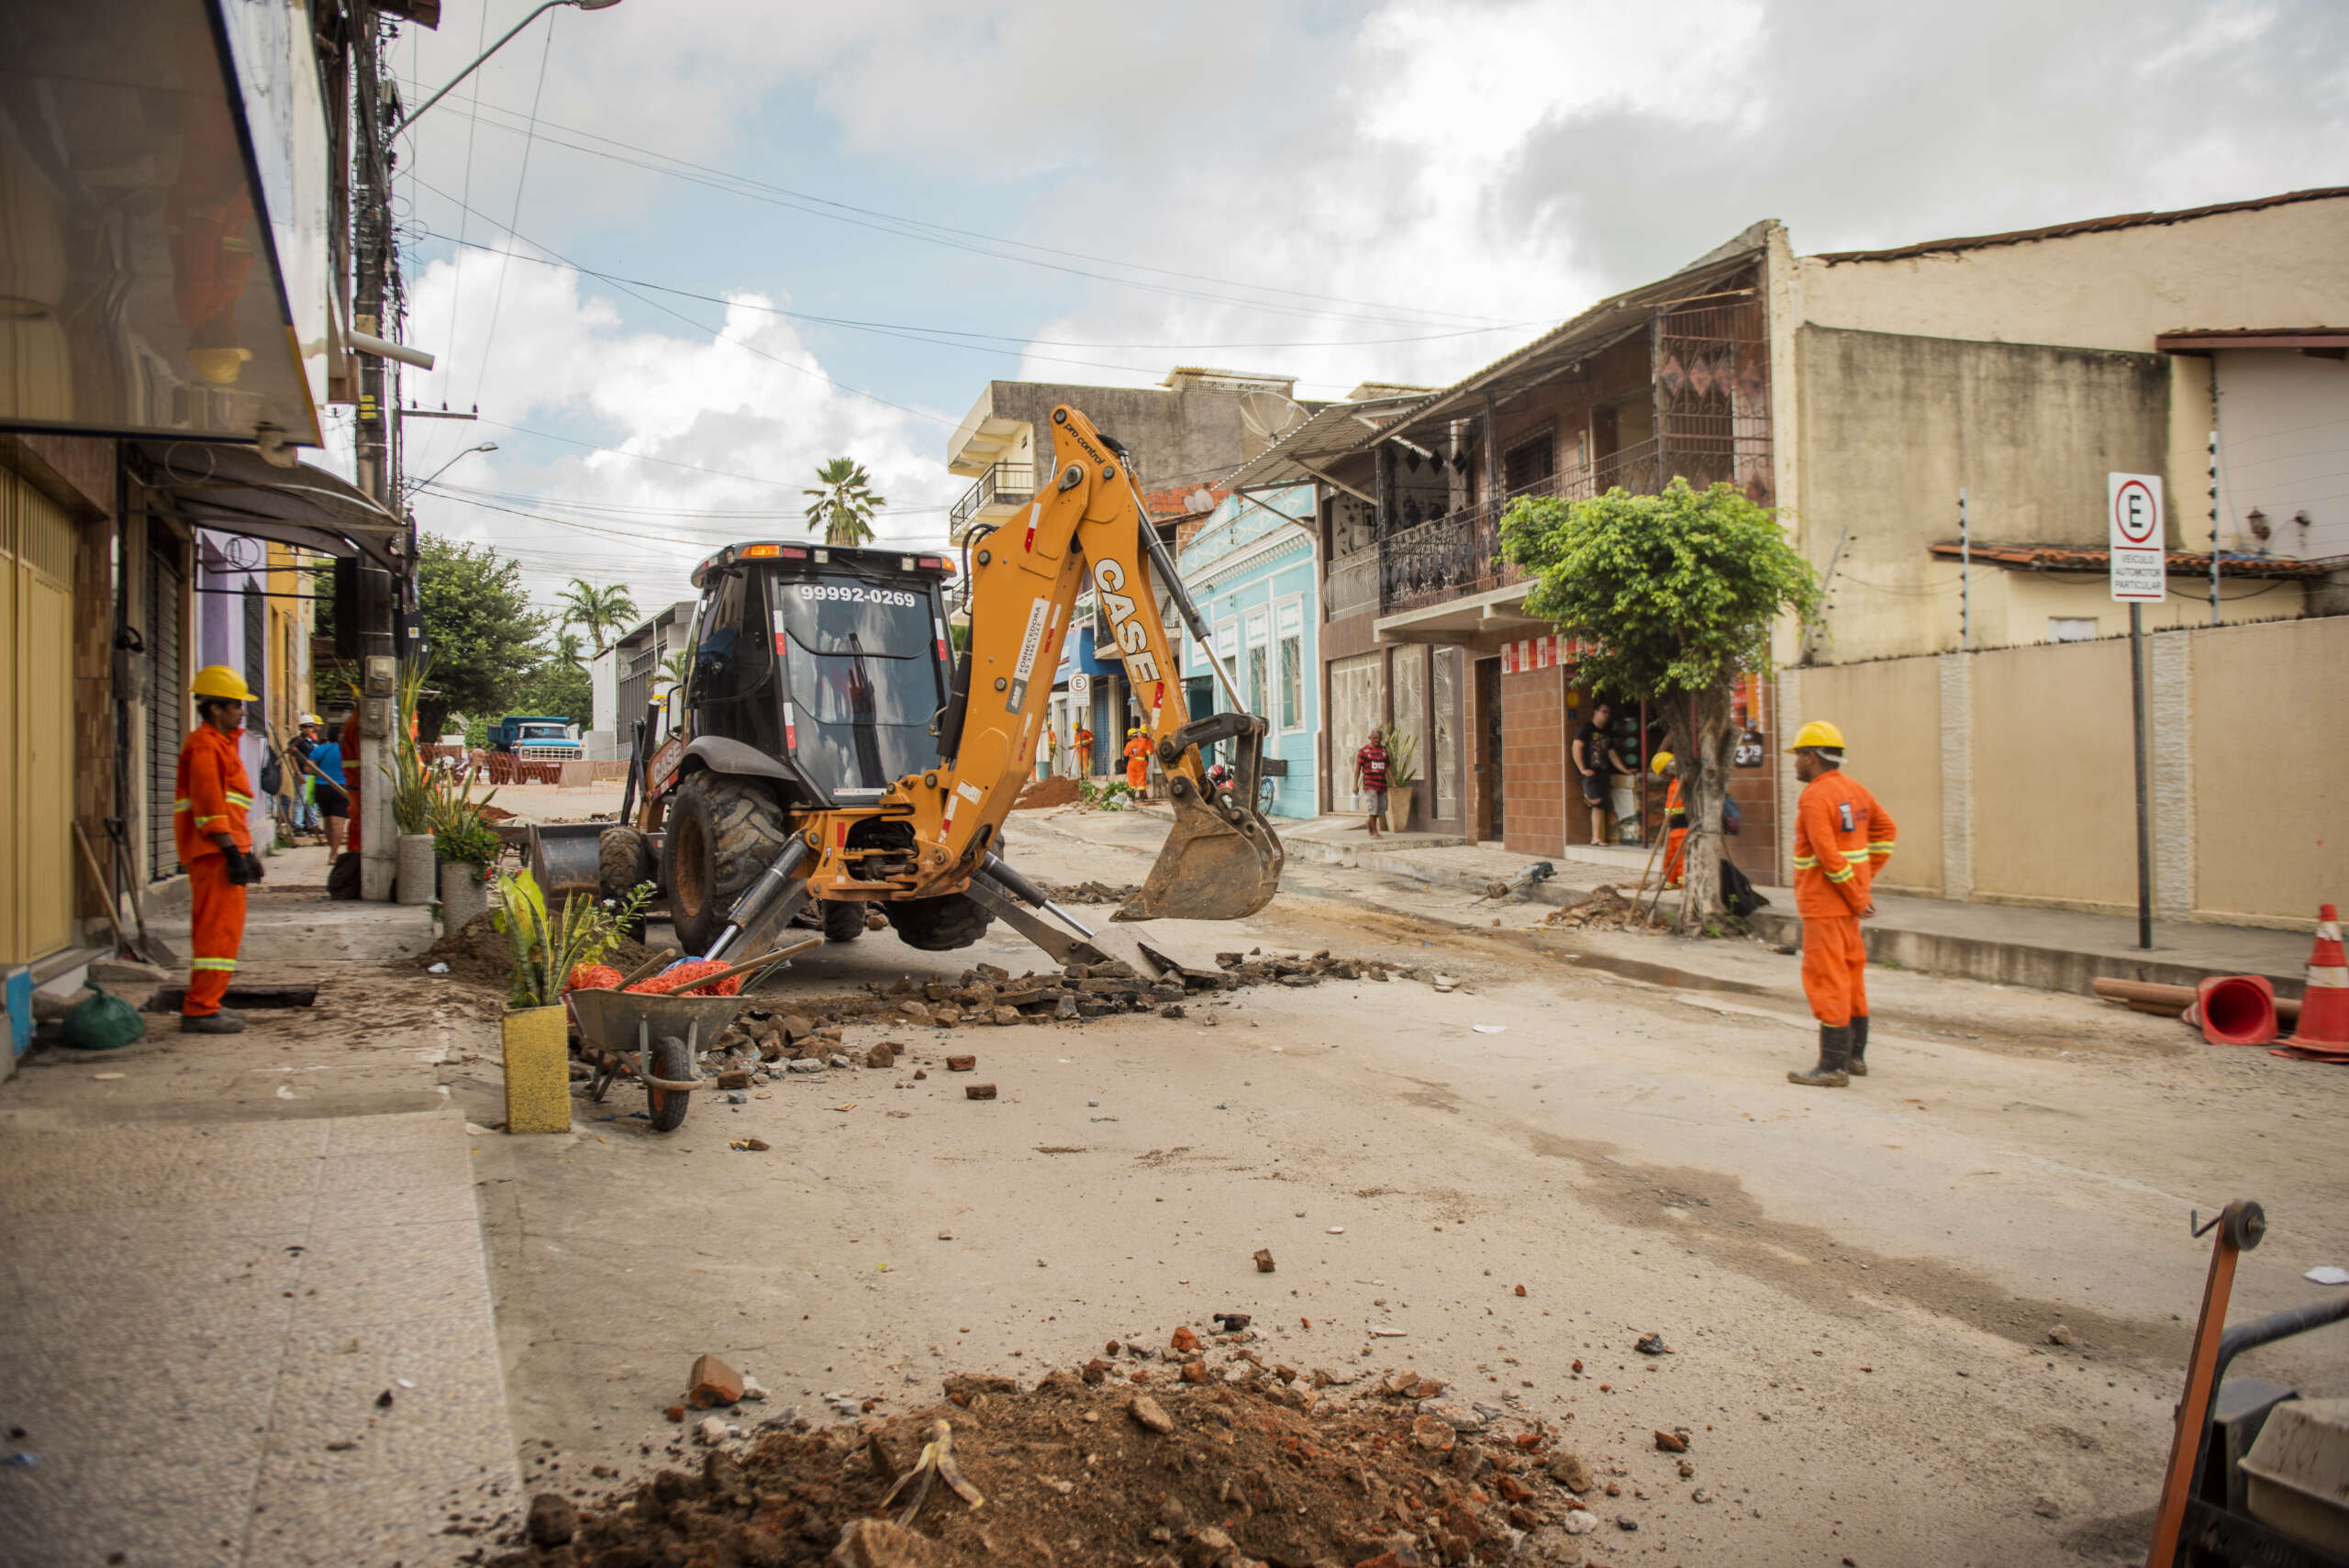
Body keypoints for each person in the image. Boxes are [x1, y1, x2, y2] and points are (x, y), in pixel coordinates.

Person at [1784, 720, 1898, 1087]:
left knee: (1826, 978)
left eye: (1798, 756)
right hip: (1847, 907)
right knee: (1850, 976)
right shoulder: (1855, 790)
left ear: (1812, 757)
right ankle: (1855, 1058)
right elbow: (1886, 831)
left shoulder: (1815, 797)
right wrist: (1863, 880)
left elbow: (1827, 854)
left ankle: (1832, 1066)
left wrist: (1856, 892)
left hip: (1825, 904)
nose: (1795, 764)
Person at [177, 666, 266, 1034]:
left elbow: (228, 809)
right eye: (235, 706)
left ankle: (207, 1002)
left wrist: (245, 851)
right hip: (214, 853)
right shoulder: (204, 746)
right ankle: (201, 1008)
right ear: (215, 708)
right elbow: (210, 808)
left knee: (223, 932)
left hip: (221, 850)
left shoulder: (218, 744)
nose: (241, 712)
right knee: (217, 934)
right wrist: (233, 852)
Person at [1573, 702, 1631, 846]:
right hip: (1590, 773)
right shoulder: (1586, 729)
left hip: (1603, 772)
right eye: (1603, 712)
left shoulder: (1607, 732)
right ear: (1595, 712)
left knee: (1602, 804)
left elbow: (1612, 754)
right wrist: (1582, 769)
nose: (1606, 716)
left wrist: (1625, 770)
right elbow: (1576, 747)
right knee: (1597, 803)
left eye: (1608, 713)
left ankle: (1598, 837)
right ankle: (1596, 838)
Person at [1652, 751, 1688, 889]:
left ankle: (1682, 883)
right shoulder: (1674, 783)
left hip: (1683, 826)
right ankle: (1669, 882)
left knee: (1680, 858)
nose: (1662, 777)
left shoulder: (1681, 783)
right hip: (1673, 826)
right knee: (1671, 856)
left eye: (1662, 774)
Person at [1353, 725, 1391, 839]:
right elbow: (1357, 769)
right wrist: (1355, 785)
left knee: (1382, 808)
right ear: (1369, 738)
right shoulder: (1363, 751)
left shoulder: (1384, 750)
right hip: (1370, 784)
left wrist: (1393, 783)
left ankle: (1370, 822)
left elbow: (1388, 767)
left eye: (1378, 738)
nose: (1376, 740)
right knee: (1373, 807)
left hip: (1382, 784)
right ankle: (1375, 832)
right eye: (1374, 738)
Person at [1121, 727, 1152, 793]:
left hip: (1132, 762)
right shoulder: (1143, 743)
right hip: (1141, 763)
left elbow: (1125, 754)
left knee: (1131, 778)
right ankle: (1142, 795)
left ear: (1131, 737)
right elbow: (1149, 752)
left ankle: (1132, 796)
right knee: (1141, 778)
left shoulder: (1129, 744)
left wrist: (1132, 752)